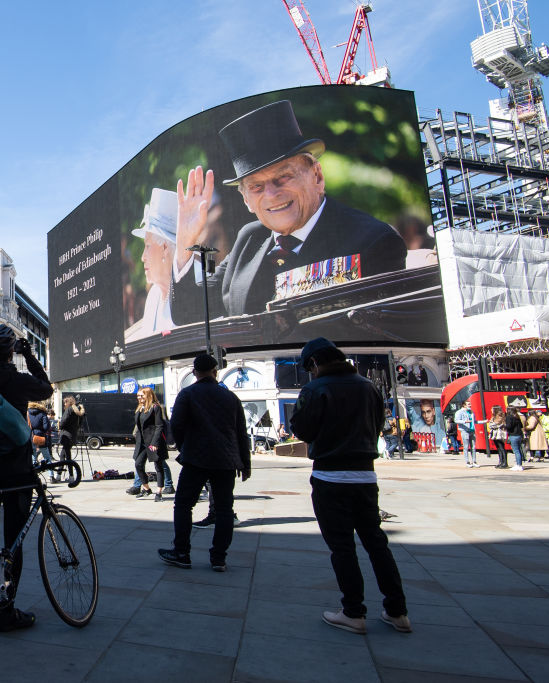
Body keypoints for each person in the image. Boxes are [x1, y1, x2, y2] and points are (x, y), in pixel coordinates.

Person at [169, 100, 407, 323]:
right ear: (246, 200)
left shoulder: (373, 240)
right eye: (256, 186)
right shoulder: (249, 239)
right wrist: (184, 244)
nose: (271, 194)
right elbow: (190, 312)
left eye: (283, 177)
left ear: (317, 176)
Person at [290, 337, 411, 635]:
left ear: (315, 363)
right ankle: (398, 612)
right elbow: (379, 423)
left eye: (310, 367)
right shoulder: (368, 386)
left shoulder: (315, 389)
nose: (311, 372)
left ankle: (353, 612)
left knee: (342, 547)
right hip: (366, 477)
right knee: (376, 543)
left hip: (330, 477)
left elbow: (301, 428)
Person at [0, 323, 53, 632]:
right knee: (12, 541)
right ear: (9, 351)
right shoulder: (14, 378)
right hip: (17, 469)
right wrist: (28, 355)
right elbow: (46, 387)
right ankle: (7, 612)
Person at [158, 354, 249, 572]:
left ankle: (182, 552)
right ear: (215, 371)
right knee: (225, 509)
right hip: (226, 460)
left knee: (183, 504)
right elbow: (241, 433)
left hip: (196, 458)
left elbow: (176, 427)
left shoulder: (187, 394)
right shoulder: (231, 398)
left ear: (194, 372)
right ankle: (219, 558)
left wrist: (184, 447)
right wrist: (245, 464)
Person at [124, 188, 181, 342]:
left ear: (164, 249)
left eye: (147, 246)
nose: (142, 257)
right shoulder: (154, 295)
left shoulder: (192, 286)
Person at [132, 388, 170, 501]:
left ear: (148, 395)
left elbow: (159, 426)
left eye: (141, 396)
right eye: (138, 396)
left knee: (158, 466)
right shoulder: (140, 408)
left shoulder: (155, 407)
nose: (139, 398)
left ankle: (159, 492)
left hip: (153, 441)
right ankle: (147, 488)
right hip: (142, 442)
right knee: (138, 464)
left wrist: (155, 443)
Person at [57, 396, 85, 480]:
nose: (64, 404)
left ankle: (67, 476)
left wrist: (60, 427)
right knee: (65, 455)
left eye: (65, 403)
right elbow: (80, 424)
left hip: (66, 435)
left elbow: (63, 422)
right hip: (72, 436)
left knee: (65, 456)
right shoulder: (78, 412)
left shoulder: (69, 410)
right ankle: (65, 475)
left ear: (68, 402)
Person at [27, 402, 52, 468]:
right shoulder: (42, 413)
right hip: (41, 436)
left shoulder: (28, 413)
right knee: (47, 457)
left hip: (31, 436)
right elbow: (46, 427)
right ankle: (51, 476)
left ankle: (34, 474)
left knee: (33, 457)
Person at [455, 403, 477, 468]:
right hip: (465, 431)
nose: (470, 405)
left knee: (473, 447)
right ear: (464, 405)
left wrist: (483, 421)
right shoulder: (459, 412)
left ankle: (474, 461)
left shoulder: (471, 412)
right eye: (469, 404)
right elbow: (456, 420)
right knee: (466, 447)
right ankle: (467, 462)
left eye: (470, 404)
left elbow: (474, 422)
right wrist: (465, 421)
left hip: (472, 431)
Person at [505, 406, 526, 471]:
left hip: (513, 435)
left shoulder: (509, 417)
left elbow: (509, 426)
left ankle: (518, 465)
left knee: (516, 451)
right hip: (519, 435)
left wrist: (504, 426)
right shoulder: (517, 417)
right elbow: (521, 426)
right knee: (519, 450)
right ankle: (519, 464)